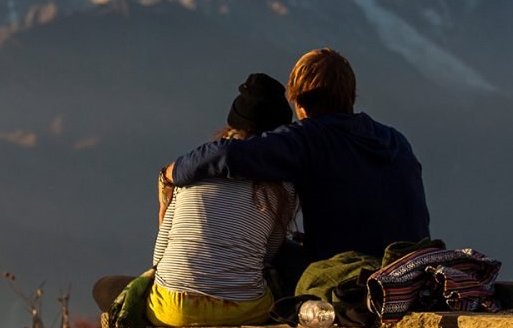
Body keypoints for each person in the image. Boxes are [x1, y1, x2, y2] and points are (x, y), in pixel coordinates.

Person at [163, 49, 429, 270]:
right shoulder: (395, 140)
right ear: (350, 96)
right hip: (410, 269)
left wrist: (170, 173)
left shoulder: (307, 138)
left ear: (300, 103)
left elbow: (226, 154)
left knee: (262, 251)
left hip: (352, 273)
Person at [135, 72, 300, 327]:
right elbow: (268, 256)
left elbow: (160, 255)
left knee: (107, 288)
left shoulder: (190, 175)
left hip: (172, 310)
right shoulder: (284, 189)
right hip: (244, 310)